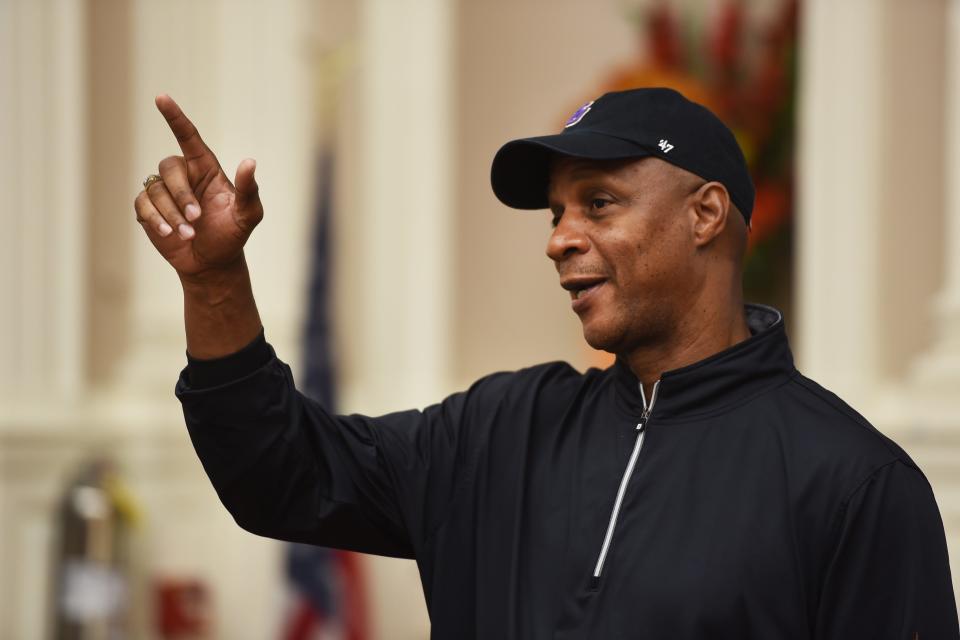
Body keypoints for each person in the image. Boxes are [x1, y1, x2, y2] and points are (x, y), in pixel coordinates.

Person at [135, 87, 959, 639]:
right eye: (559, 211)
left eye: (598, 202)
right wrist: (213, 283)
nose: (559, 237)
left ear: (705, 215)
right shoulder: (498, 430)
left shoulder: (856, 484)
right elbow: (281, 476)